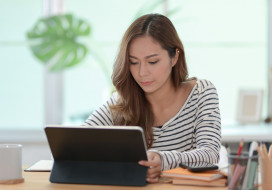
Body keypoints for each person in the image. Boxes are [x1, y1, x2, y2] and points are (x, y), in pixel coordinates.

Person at [83, 13, 221, 183]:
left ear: (175, 57)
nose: (142, 73)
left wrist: (161, 160)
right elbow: (77, 144)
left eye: (153, 61)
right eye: (134, 62)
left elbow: (210, 154)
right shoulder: (123, 101)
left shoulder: (202, 93)